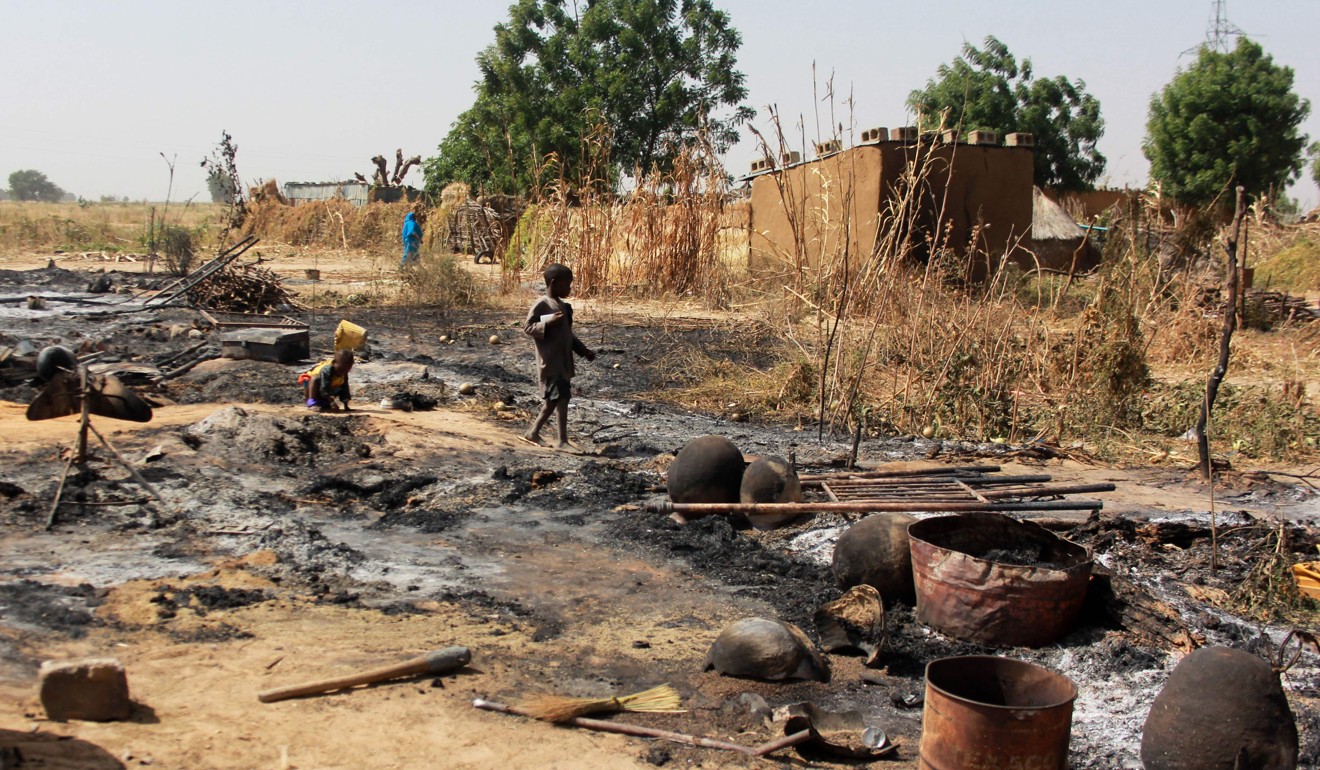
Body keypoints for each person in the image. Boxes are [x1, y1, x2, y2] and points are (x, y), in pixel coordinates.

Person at [522, 263, 595, 447]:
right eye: (567, 284)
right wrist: (549, 321)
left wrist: (583, 350)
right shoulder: (542, 305)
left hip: (563, 362)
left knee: (559, 399)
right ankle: (559, 440)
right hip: (551, 362)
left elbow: (568, 334)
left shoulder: (564, 306)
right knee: (557, 399)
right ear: (554, 283)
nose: (569, 288)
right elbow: (528, 327)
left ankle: (536, 433)